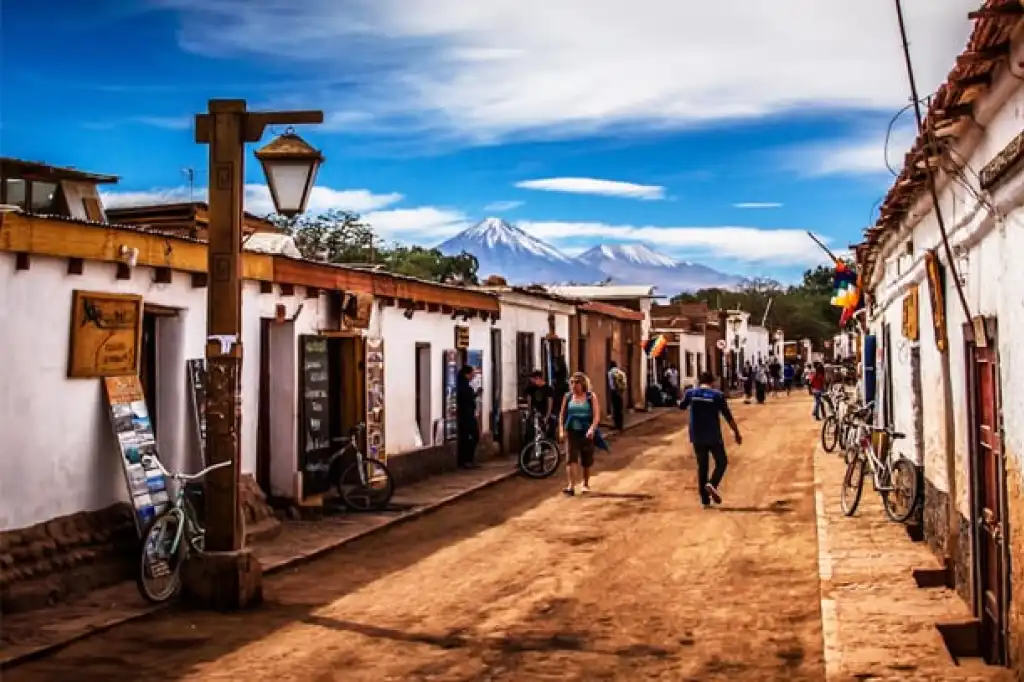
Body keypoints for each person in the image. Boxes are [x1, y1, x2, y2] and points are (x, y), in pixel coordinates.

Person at [679, 372, 742, 509]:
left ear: (699, 381)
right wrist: (736, 433)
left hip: (697, 435)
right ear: (712, 382)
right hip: (713, 435)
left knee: (702, 466)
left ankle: (705, 500)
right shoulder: (717, 396)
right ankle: (712, 484)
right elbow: (728, 416)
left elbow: (681, 406)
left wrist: (684, 394)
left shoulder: (691, 393)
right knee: (722, 462)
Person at [559, 372, 602, 496]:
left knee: (586, 459)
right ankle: (571, 485)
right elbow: (562, 415)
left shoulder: (590, 397)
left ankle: (585, 483)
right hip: (571, 431)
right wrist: (561, 430)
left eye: (576, 383)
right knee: (570, 458)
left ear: (583, 384)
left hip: (586, 431)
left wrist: (592, 429)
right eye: (572, 383)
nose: (574, 386)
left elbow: (596, 416)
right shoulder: (567, 397)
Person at [456, 365, 481, 469]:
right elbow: (465, 398)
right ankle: (466, 460)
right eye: (472, 373)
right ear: (467, 374)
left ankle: (467, 460)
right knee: (471, 437)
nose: (473, 376)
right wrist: (474, 394)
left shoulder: (463, 384)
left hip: (467, 414)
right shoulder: (463, 385)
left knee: (470, 437)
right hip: (466, 415)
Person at [524, 370, 555, 439]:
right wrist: (529, 413)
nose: (532, 382)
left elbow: (550, 405)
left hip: (544, 415)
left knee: (545, 435)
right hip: (534, 415)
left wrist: (547, 417)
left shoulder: (548, 389)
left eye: (533, 380)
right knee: (530, 435)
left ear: (538, 378)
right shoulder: (531, 388)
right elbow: (529, 400)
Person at [607, 362, 627, 431]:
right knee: (620, 409)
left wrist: (614, 389)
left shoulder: (610, 372)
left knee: (615, 409)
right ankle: (620, 426)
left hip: (614, 392)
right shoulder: (621, 372)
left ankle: (616, 425)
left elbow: (612, 383)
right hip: (620, 392)